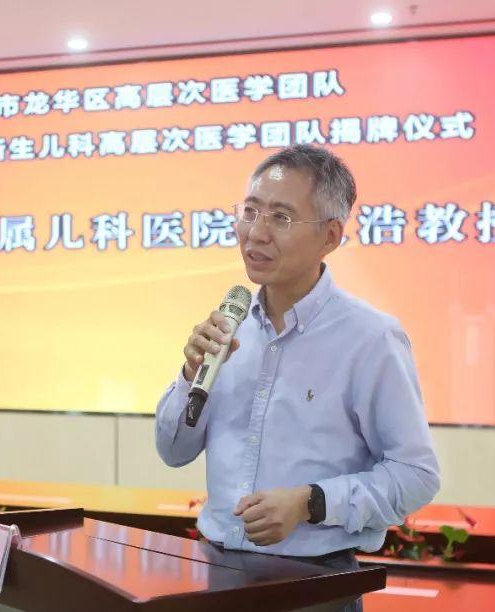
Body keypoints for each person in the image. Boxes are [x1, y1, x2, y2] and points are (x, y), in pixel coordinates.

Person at [155, 145, 440, 611]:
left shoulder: (370, 339)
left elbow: (416, 475)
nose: (256, 232)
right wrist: (191, 376)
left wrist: (312, 502)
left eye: (281, 218)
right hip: (217, 575)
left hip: (314, 586)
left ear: (330, 236)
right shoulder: (229, 327)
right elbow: (173, 451)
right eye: (250, 211)